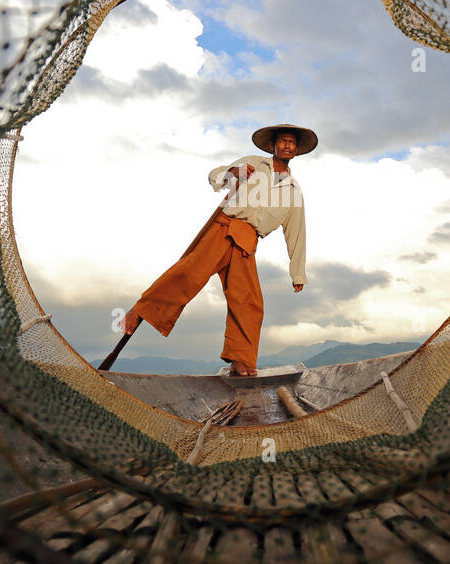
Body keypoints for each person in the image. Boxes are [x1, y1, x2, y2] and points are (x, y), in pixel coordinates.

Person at [120, 123, 314, 377]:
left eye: (291, 142)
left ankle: (240, 360)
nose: (287, 145)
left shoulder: (293, 191)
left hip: (247, 241)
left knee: (249, 301)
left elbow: (297, 231)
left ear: (296, 151)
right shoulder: (254, 163)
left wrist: (297, 273)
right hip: (224, 228)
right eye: (283, 141)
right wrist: (231, 172)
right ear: (273, 146)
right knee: (189, 275)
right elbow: (216, 175)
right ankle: (141, 309)